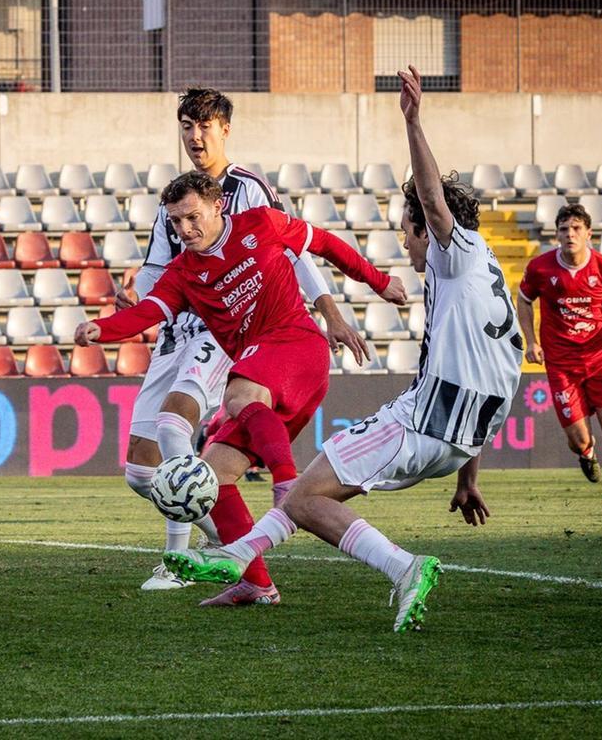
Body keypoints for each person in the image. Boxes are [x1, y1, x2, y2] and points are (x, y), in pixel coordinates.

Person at [161, 66, 523, 633]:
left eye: (407, 229)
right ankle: (237, 560)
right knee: (309, 494)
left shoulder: (455, 250)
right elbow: (483, 378)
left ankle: (404, 567)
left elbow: (429, 195)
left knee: (303, 497)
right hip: (465, 436)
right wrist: (467, 476)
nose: (405, 241)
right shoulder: (483, 278)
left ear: (429, 227)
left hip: (422, 421)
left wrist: (412, 120)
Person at [75, 170, 404, 608]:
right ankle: (257, 583)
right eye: (175, 222)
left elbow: (325, 243)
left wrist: (379, 283)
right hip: (264, 370)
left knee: (236, 396)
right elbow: (146, 313)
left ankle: (287, 485)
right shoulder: (183, 273)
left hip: (296, 345)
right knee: (214, 478)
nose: (185, 230)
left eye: (192, 217)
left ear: (217, 206)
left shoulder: (261, 224)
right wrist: (101, 328)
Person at [120, 87, 367, 596]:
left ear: (225, 129)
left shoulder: (248, 189)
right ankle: (232, 549)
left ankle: (179, 557)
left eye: (204, 126)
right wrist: (140, 296)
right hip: (175, 332)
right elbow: (156, 268)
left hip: (226, 328)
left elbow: (296, 249)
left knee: (173, 424)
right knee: (139, 471)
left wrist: (330, 312)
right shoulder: (174, 197)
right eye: (186, 126)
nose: (194, 136)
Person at [517, 204, 602, 514]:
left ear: (588, 234)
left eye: (576, 229)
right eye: (564, 229)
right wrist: (531, 341)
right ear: (556, 234)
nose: (570, 234)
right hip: (561, 365)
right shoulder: (541, 268)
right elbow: (524, 300)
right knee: (578, 439)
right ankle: (586, 453)